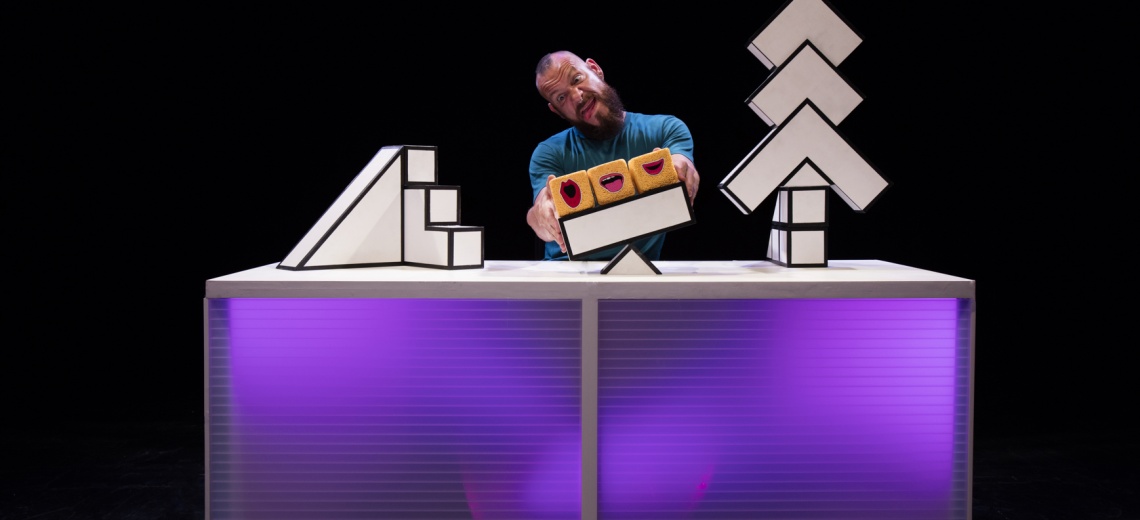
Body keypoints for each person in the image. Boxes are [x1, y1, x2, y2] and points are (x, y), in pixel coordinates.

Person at [526, 50, 700, 261]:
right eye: (562, 97)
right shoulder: (549, 152)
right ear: (557, 111)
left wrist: (682, 171)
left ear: (595, 69)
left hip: (636, 273)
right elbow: (540, 210)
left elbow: (681, 164)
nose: (577, 96)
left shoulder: (666, 129)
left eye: (577, 79)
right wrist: (541, 217)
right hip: (567, 274)